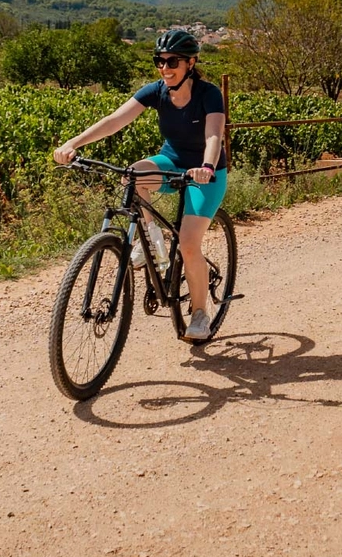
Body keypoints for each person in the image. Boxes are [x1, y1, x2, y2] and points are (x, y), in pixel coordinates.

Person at [53, 29, 228, 341]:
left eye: (172, 61)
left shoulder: (208, 93)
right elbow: (114, 121)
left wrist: (206, 166)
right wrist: (73, 143)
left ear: (191, 63)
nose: (164, 67)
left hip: (206, 172)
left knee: (189, 244)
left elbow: (214, 135)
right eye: (159, 61)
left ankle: (200, 314)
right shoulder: (156, 91)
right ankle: (152, 242)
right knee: (133, 176)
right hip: (170, 162)